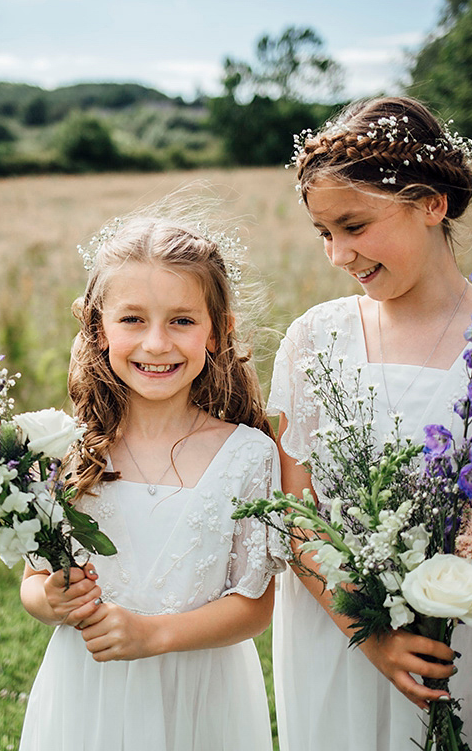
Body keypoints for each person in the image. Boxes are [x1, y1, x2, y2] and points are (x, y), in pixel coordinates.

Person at [269, 96, 472, 751]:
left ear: (430, 204)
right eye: (324, 233)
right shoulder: (315, 340)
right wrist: (372, 636)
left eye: (354, 226)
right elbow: (294, 509)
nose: (337, 254)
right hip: (340, 649)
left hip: (462, 658)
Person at [18, 196, 286, 751]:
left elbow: (255, 605)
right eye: (133, 319)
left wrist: (153, 634)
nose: (157, 343)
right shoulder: (65, 449)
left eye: (182, 321)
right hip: (87, 693)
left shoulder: (248, 455)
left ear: (216, 332)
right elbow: (32, 586)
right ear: (98, 329)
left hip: (200, 699)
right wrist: (53, 600)